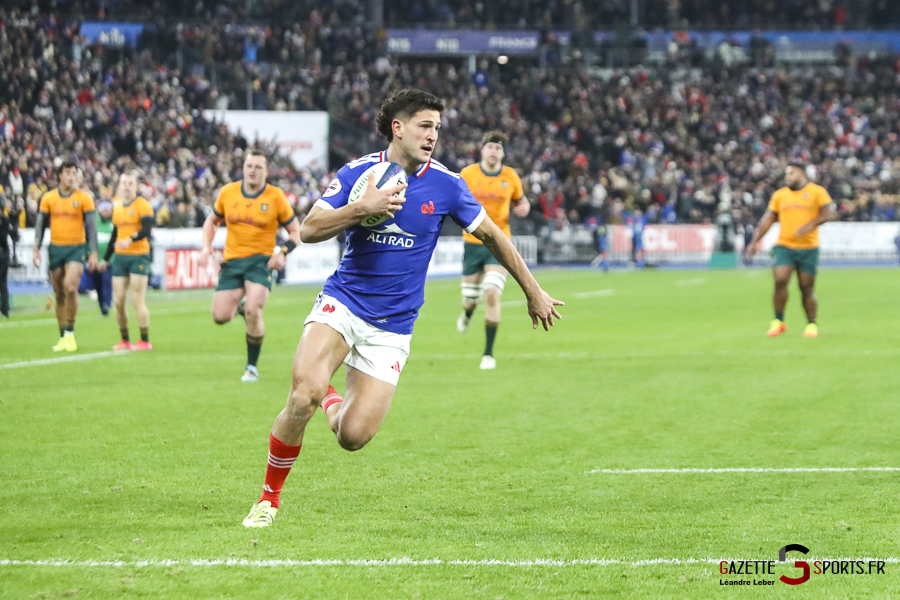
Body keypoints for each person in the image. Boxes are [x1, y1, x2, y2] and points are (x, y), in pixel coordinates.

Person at [241, 89, 563, 528]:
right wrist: (362, 207)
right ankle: (268, 500)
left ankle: (330, 396)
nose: (433, 135)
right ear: (398, 126)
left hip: (393, 326)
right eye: (425, 125)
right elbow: (310, 229)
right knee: (302, 396)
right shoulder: (358, 173)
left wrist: (533, 291)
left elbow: (493, 236)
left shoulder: (448, 184)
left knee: (352, 437)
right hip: (344, 302)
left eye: (437, 128)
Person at [199, 149, 301, 382]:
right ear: (243, 168)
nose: (253, 171)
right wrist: (206, 247)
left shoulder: (275, 197)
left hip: (260, 261)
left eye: (258, 167)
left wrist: (282, 252)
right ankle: (242, 309)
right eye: (249, 166)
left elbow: (296, 232)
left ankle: (251, 367)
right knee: (220, 316)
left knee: (255, 309)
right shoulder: (228, 192)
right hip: (233, 261)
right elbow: (211, 222)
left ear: (266, 171)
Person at [456, 131, 530, 370]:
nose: (494, 152)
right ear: (482, 150)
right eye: (490, 147)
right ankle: (467, 314)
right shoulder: (467, 174)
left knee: (491, 293)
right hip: (472, 243)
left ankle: (488, 354)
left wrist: (524, 208)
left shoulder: (511, 176)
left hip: (499, 243)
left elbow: (521, 201)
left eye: (498, 148)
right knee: (469, 300)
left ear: (502, 152)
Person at [746, 162, 836, 338]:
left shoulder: (817, 192)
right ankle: (778, 321)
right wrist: (754, 241)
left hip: (809, 247)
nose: (787, 177)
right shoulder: (780, 195)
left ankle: (811, 324)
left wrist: (810, 225)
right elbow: (768, 219)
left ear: (801, 173)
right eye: (786, 174)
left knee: (806, 287)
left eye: (791, 173)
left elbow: (831, 213)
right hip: (784, 246)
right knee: (780, 280)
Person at [33, 161, 99, 351]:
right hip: (56, 248)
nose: (72, 177)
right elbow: (40, 225)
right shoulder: (48, 198)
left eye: (74, 173)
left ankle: (70, 333)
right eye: (68, 173)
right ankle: (63, 336)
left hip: (76, 248)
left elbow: (92, 228)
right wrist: (36, 249)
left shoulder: (84, 198)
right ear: (60, 175)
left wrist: (93, 252)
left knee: (70, 287)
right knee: (59, 294)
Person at [100, 172, 155, 351]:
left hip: (139, 255)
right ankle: (125, 340)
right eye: (124, 183)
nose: (127, 186)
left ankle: (145, 340)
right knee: (118, 301)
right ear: (119, 186)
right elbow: (114, 235)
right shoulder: (117, 207)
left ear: (136, 186)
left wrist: (130, 240)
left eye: (130, 183)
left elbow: (147, 229)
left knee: (137, 298)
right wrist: (105, 259)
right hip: (121, 257)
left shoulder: (143, 205)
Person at [79, 201, 114, 316]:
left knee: (106, 282)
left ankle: (106, 305)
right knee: (97, 284)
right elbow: (87, 240)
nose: (105, 211)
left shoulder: (114, 224)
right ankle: (102, 305)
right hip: (94, 260)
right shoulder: (94, 224)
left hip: (109, 260)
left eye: (107, 209)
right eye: (103, 209)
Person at [1, 194, 20, 318]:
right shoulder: (6, 221)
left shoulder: (6, 221)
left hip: (2, 253)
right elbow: (15, 236)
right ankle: (5, 309)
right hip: (3, 253)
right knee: (3, 283)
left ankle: (5, 308)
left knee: (2, 283)